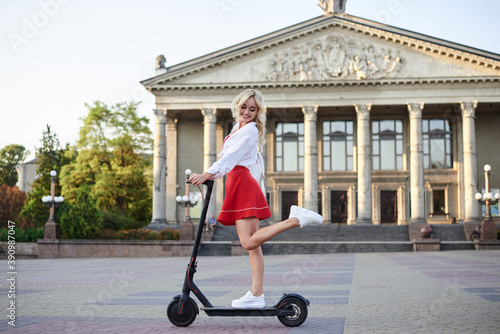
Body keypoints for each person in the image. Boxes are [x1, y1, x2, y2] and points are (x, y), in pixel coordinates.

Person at [189, 89, 323, 308]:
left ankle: (294, 220)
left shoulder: (250, 131)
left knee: (248, 241)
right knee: (253, 246)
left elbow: (230, 158)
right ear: (237, 106)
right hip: (238, 182)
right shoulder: (237, 128)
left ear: (257, 112)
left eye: (253, 109)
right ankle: (256, 294)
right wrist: (210, 174)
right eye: (244, 107)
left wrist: (205, 174)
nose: (247, 112)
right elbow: (226, 160)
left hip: (242, 184)